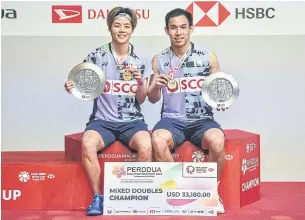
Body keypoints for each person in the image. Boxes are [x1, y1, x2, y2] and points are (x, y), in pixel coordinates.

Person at [64, 7, 153, 216]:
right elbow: (82, 84)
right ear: (110, 27)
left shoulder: (142, 59)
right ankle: (98, 197)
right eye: (117, 25)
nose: (122, 30)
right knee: (88, 143)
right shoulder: (96, 55)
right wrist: (72, 87)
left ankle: (131, 195)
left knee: (146, 145)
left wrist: (140, 81)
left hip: (132, 121)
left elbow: (142, 98)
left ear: (132, 30)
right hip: (102, 121)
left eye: (127, 26)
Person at [147, 8, 226, 214]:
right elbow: (153, 99)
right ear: (167, 31)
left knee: (217, 141)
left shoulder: (208, 57)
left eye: (183, 27)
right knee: (157, 139)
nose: (178, 32)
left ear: (192, 29)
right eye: (173, 28)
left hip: (202, 120)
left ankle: (211, 193)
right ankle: (181, 192)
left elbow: (219, 90)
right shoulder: (159, 59)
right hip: (172, 120)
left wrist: (221, 101)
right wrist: (156, 86)